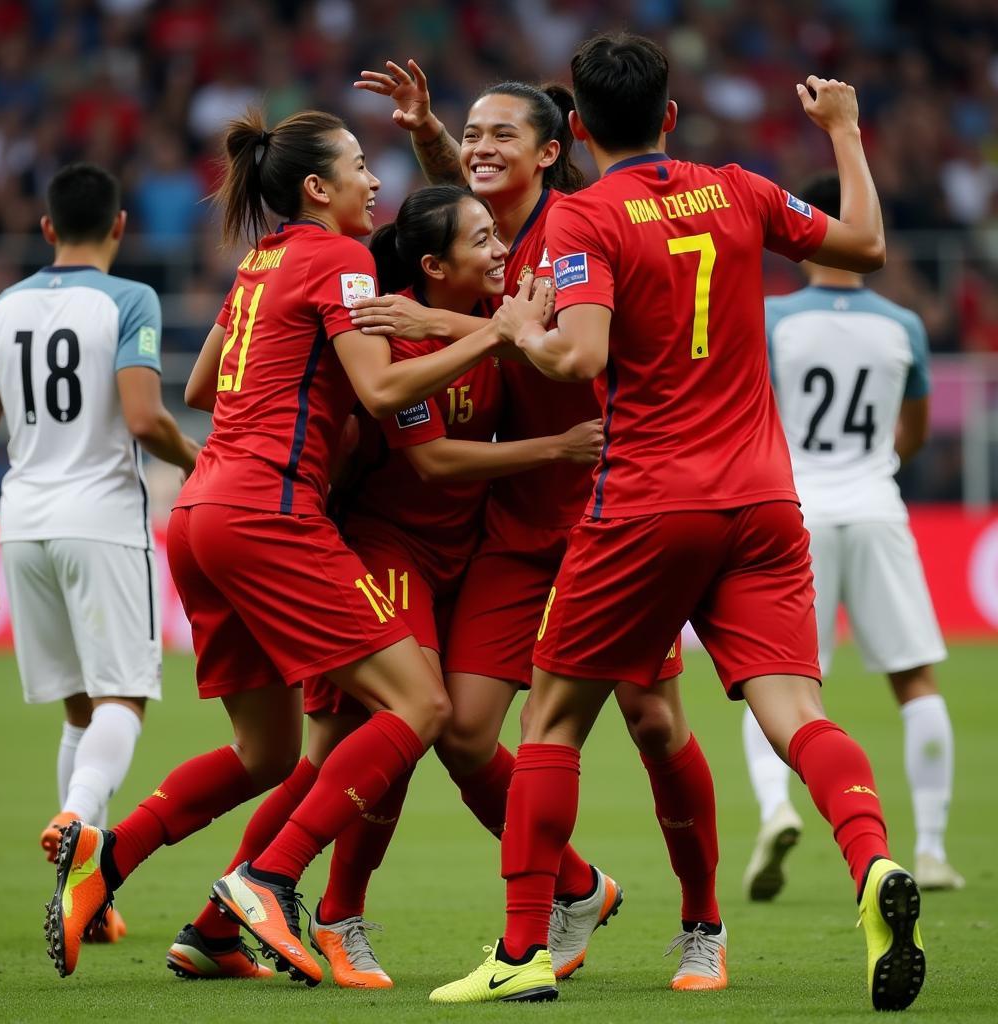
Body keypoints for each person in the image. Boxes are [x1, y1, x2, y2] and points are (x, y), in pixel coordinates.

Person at [430, 34, 925, 1013]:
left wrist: (520, 332)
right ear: (669, 116)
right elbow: (864, 246)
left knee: (551, 719)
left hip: (648, 503)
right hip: (762, 500)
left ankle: (525, 948)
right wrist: (845, 132)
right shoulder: (737, 189)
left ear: (572, 128)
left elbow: (578, 358)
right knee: (796, 717)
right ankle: (870, 862)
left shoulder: (583, 216)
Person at [43, 109, 508, 986]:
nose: (376, 182)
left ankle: (117, 858)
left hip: (200, 512)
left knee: (268, 753)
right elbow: (379, 391)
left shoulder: (258, 263)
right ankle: (265, 878)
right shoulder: (340, 258)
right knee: (421, 706)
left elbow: (201, 383)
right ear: (316, 190)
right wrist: (490, 332)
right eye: (361, 167)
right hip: (269, 514)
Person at [167, 183, 603, 986]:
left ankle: (222, 919)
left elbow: (544, 341)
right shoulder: (378, 319)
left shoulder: (481, 314)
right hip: (378, 547)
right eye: (482, 239)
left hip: (466, 556)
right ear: (435, 263)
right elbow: (430, 458)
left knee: (442, 735)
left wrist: (471, 324)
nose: (501, 247)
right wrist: (549, 443)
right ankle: (318, 908)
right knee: (389, 727)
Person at [352, 63, 723, 992]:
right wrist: (431, 133)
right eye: (470, 134)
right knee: (466, 731)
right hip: (517, 529)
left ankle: (703, 925)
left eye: (501, 135)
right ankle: (573, 891)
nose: (479, 148)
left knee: (654, 721)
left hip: (608, 508)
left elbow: (560, 341)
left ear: (553, 153)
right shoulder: (496, 236)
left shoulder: (584, 226)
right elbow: (467, 201)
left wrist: (441, 328)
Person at [0, 163, 199, 943]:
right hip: (101, 518)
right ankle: (79, 819)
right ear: (121, 226)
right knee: (123, 698)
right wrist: (199, 458)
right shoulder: (129, 299)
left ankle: (85, 895)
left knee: (78, 704)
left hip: (24, 523)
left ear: (44, 230)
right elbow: (143, 417)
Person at [741, 171, 960, 901]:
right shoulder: (902, 325)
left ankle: (776, 811)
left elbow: (750, 415)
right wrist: (876, 464)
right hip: (875, 503)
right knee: (916, 679)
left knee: (781, 686)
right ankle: (929, 850)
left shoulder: (773, 320)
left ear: (803, 232)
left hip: (791, 510)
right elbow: (916, 432)